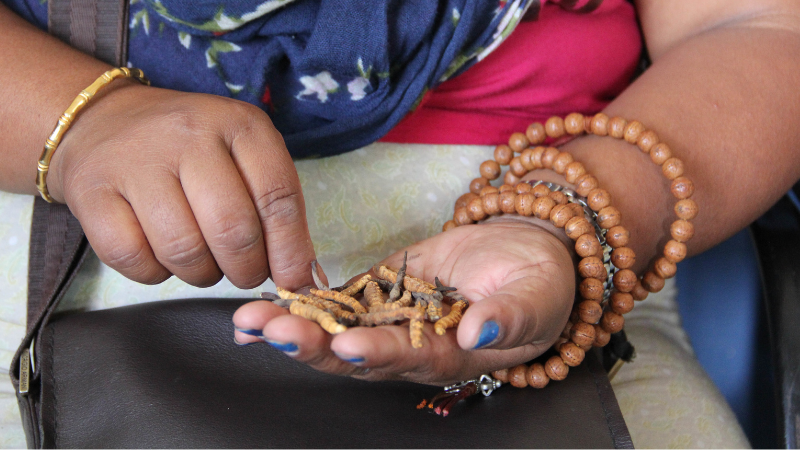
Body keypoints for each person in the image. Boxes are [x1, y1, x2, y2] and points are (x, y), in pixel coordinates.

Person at [0, 0, 798, 447]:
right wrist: (82, 123)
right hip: (63, 283)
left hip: (580, 279)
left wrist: (564, 224)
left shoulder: (572, 239)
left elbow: (763, 26)